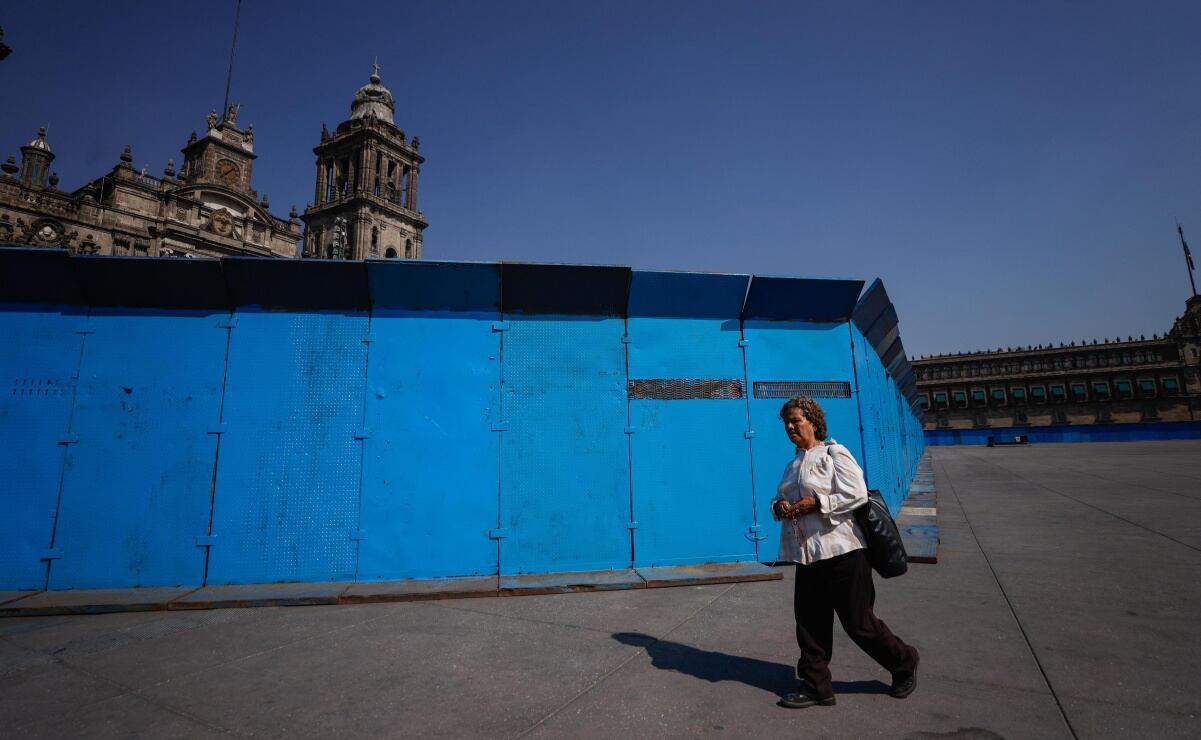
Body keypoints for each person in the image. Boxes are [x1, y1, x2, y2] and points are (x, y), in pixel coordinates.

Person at [771, 396, 919, 708]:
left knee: (860, 624)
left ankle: (904, 661)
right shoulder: (792, 464)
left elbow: (857, 494)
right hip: (808, 555)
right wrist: (780, 506)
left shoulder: (834, 453)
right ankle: (816, 687)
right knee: (810, 624)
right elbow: (780, 497)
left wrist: (818, 503)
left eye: (796, 420)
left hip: (844, 553)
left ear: (813, 422)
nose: (790, 427)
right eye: (786, 422)